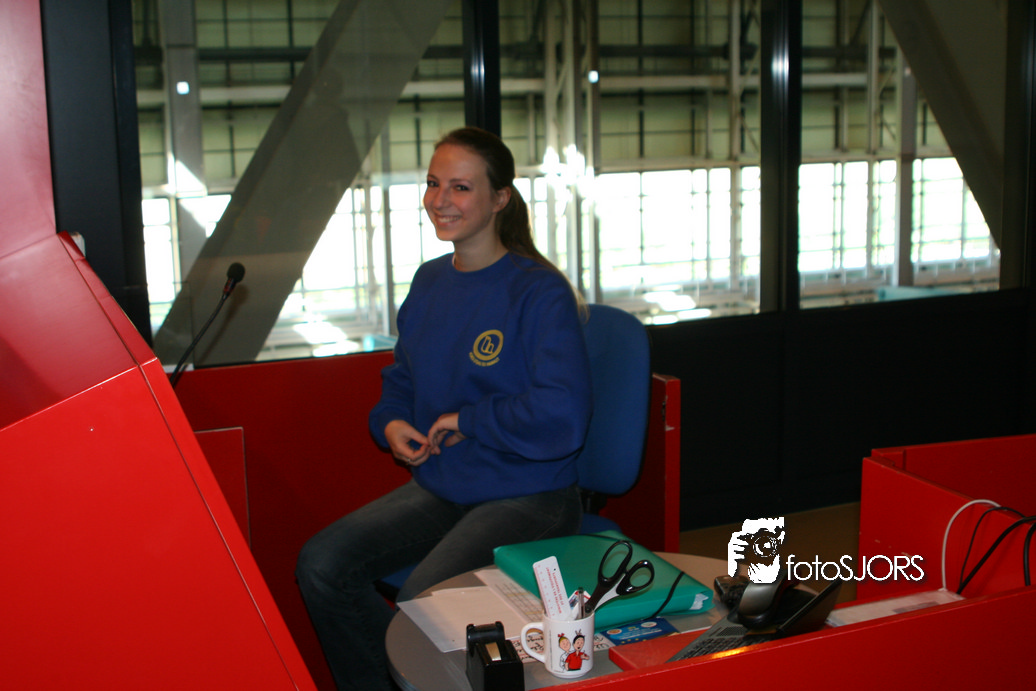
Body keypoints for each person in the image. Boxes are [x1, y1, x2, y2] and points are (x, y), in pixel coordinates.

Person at [295, 126, 593, 690]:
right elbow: (402, 378)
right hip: (446, 483)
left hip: (531, 493)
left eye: (460, 187)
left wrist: (468, 420)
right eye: (434, 183)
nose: (440, 200)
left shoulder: (538, 292)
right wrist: (392, 421)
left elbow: (563, 417)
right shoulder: (430, 281)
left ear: (499, 198)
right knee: (321, 564)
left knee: (420, 604)